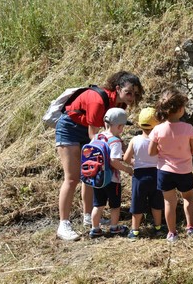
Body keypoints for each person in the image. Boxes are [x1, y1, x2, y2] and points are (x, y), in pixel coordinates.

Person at [55, 71, 143, 241]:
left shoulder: (120, 104)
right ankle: (63, 224)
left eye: (136, 94)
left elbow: (112, 136)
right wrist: (116, 156)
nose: (132, 97)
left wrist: (123, 151)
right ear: (118, 89)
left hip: (89, 131)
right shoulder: (98, 101)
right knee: (72, 178)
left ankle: (89, 217)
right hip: (70, 129)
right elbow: (94, 137)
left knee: (92, 173)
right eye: (129, 93)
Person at [148, 87, 193, 243]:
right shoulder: (188, 128)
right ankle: (190, 227)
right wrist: (183, 153)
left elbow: (152, 152)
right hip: (184, 170)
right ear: (180, 109)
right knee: (188, 198)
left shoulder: (158, 129)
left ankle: (172, 233)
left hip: (164, 171)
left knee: (168, 202)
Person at [89, 108, 133, 238]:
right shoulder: (115, 141)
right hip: (112, 180)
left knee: (98, 205)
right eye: (123, 127)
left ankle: (95, 229)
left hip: (97, 177)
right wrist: (127, 169)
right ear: (119, 126)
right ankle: (114, 228)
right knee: (115, 205)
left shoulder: (97, 136)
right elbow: (113, 160)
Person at [123, 107, 165, 240]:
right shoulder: (158, 141)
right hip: (156, 174)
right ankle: (158, 228)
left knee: (137, 203)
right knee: (157, 203)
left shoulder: (135, 140)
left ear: (140, 124)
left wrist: (134, 162)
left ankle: (135, 231)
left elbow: (126, 158)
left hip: (140, 176)